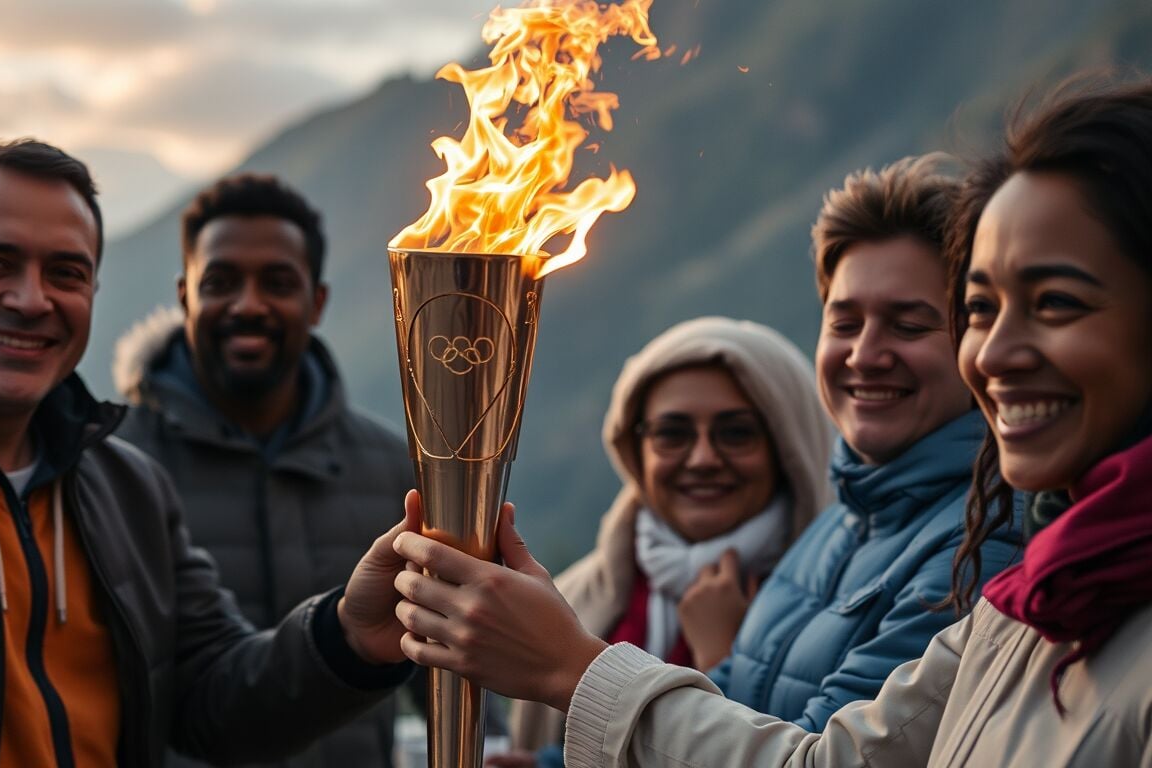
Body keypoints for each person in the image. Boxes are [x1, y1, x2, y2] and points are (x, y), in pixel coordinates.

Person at [392, 77, 1152, 766]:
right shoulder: (999, 586)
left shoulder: (985, 547)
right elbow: (746, 713)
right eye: (983, 308)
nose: (999, 352)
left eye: (1056, 302)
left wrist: (572, 667)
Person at [0, 139, 420, 766]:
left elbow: (215, 701)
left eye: (66, 273)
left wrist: (348, 636)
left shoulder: (127, 489)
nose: (30, 299)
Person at [112, 174, 414, 768]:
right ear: (184, 296)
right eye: (221, 282)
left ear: (317, 302)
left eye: (277, 283)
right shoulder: (114, 467)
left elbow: (444, 657)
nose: (248, 305)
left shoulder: (393, 469)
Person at [496, 317, 831, 767]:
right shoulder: (576, 597)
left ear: (788, 446)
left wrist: (722, 656)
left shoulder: (838, 598)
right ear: (636, 449)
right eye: (673, 434)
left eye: (736, 433)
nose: (703, 458)